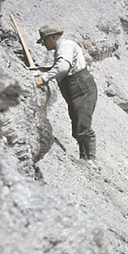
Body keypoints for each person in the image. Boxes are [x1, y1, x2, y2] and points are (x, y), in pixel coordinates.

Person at [35, 26, 98, 160]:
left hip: (82, 88)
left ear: (52, 37)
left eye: (44, 41)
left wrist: (44, 78)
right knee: (77, 123)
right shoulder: (61, 48)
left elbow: (63, 67)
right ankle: (84, 157)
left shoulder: (65, 46)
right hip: (75, 88)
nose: (44, 45)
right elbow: (59, 66)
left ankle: (90, 160)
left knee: (83, 123)